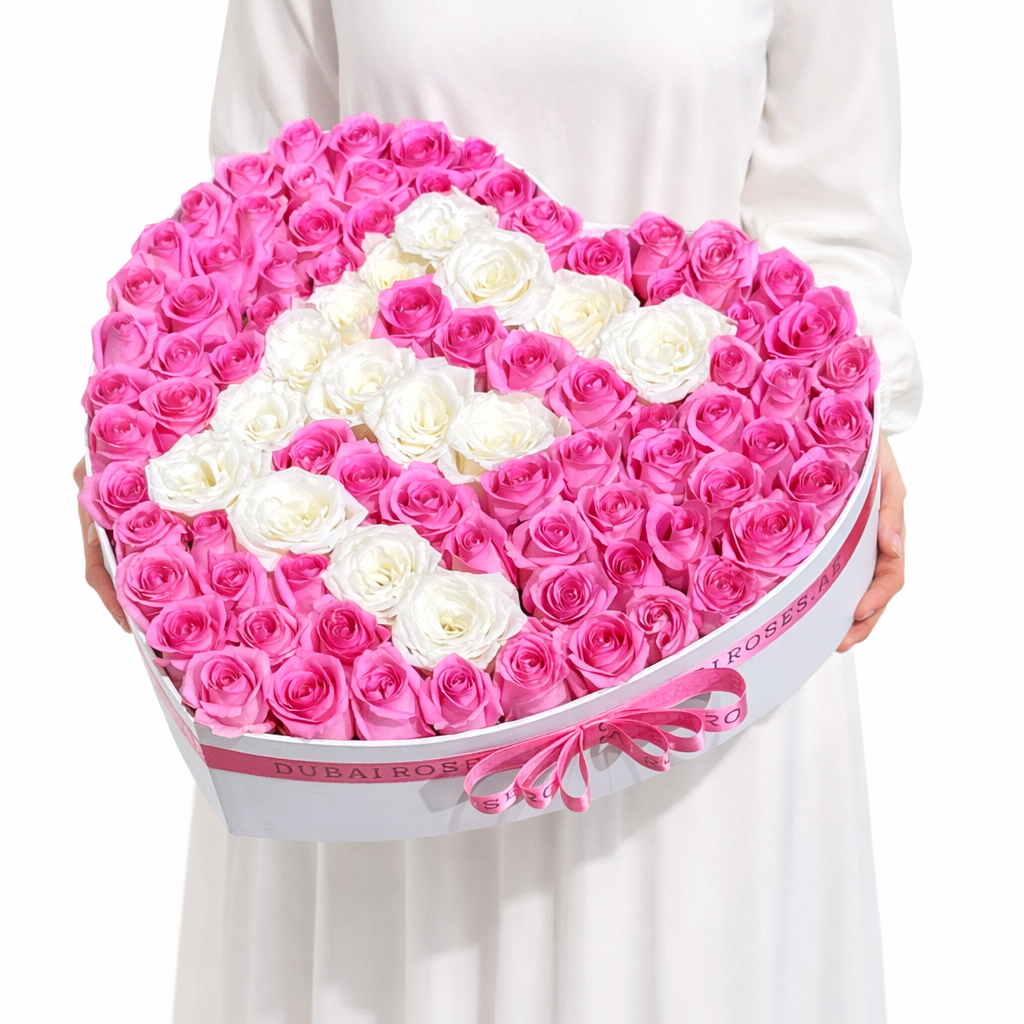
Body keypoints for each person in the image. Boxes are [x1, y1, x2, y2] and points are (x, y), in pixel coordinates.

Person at [76, 1, 921, 1020]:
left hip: (705, 609)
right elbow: (261, 220)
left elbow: (835, 224)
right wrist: (148, 481)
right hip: (376, 673)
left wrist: (837, 436)